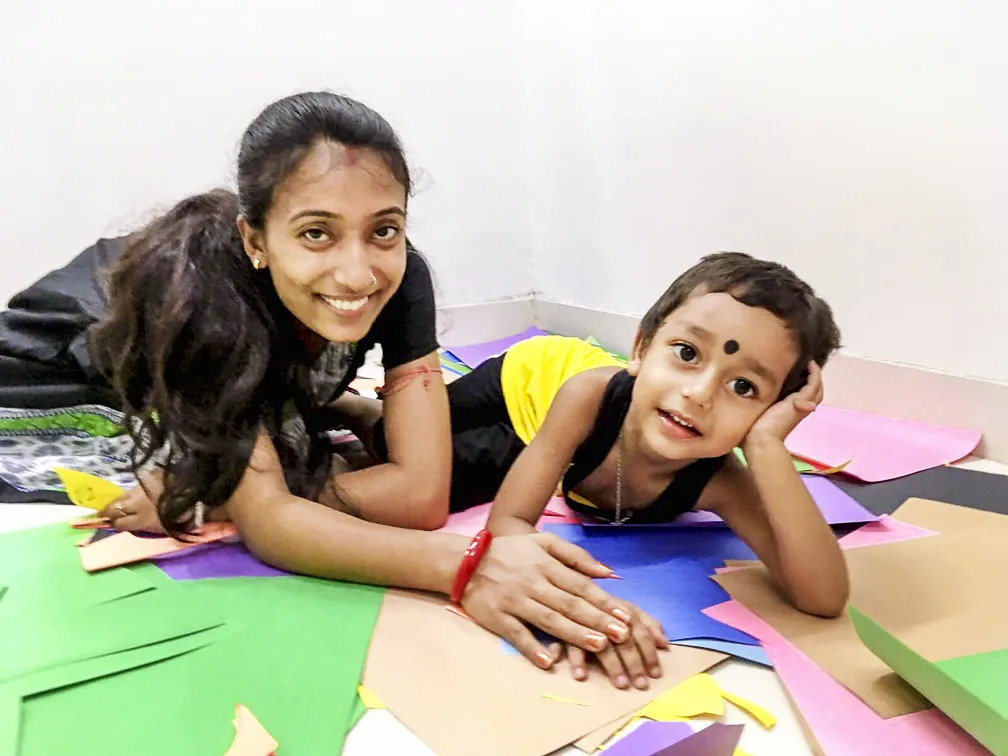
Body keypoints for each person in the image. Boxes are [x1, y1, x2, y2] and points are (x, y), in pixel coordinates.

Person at [0, 92, 639, 671]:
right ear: (256, 238)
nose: (358, 272)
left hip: (215, 366)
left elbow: (420, 498)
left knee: (275, 464)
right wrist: (467, 565)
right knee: (160, 491)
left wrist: (243, 494)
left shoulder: (402, 276)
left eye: (383, 229)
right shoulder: (204, 298)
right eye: (316, 233)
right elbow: (276, 523)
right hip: (63, 388)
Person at [366, 252, 848, 690]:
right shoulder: (589, 397)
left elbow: (823, 598)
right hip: (529, 379)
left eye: (743, 386)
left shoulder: (720, 481)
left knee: (458, 476)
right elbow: (508, 524)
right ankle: (357, 409)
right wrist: (579, 608)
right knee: (397, 439)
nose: (700, 393)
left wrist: (767, 446)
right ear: (641, 349)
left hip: (532, 439)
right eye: (686, 353)